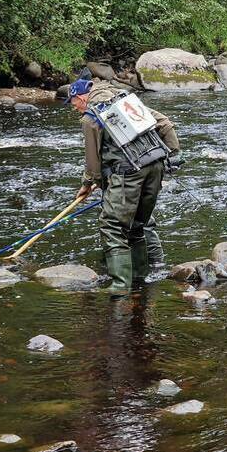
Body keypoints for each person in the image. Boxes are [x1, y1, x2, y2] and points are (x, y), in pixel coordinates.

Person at [67, 70, 180, 294]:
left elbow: (93, 160)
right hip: (155, 166)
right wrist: (174, 154)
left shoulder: (91, 116)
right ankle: (140, 279)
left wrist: (89, 184)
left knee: (112, 226)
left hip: (128, 172)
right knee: (137, 226)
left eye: (73, 105)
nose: (75, 109)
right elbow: (164, 123)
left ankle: (120, 287)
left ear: (81, 98)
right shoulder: (123, 98)